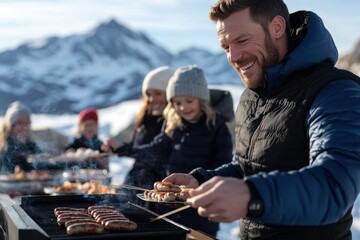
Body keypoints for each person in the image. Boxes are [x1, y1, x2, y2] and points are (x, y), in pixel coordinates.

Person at [163, 1, 360, 240]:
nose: (233, 56)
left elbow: (334, 187)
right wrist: (202, 179)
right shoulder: (251, 96)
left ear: (276, 27)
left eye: (242, 41)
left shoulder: (334, 91)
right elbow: (250, 166)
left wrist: (252, 196)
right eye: (226, 47)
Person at [108, 65, 234, 236]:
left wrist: (205, 187)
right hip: (168, 206)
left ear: (201, 99)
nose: (183, 108)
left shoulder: (217, 127)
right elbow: (154, 149)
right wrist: (124, 149)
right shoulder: (174, 125)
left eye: (189, 101)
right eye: (177, 103)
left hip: (200, 209)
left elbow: (223, 166)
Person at [104, 66, 174, 192]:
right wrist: (120, 146)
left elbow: (157, 151)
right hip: (135, 183)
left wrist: (124, 149)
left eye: (158, 93)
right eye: (148, 94)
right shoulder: (145, 118)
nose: (152, 99)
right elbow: (138, 148)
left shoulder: (173, 122)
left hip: (157, 188)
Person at [0, 101, 41, 173]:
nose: (24, 127)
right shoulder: (4, 147)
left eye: (27, 123)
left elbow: (42, 162)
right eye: (20, 123)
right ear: (11, 125)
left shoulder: (31, 145)